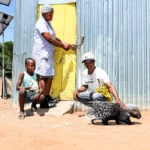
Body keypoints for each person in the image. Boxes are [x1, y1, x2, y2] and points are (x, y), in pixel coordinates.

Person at [32, 4, 73, 106]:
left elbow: (54, 37)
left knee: (49, 76)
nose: (51, 17)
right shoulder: (41, 23)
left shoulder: (47, 23)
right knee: (42, 77)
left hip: (48, 54)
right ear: (44, 14)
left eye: (52, 15)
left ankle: (47, 97)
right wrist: (62, 46)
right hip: (41, 54)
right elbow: (49, 39)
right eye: (50, 15)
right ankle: (43, 100)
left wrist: (65, 43)